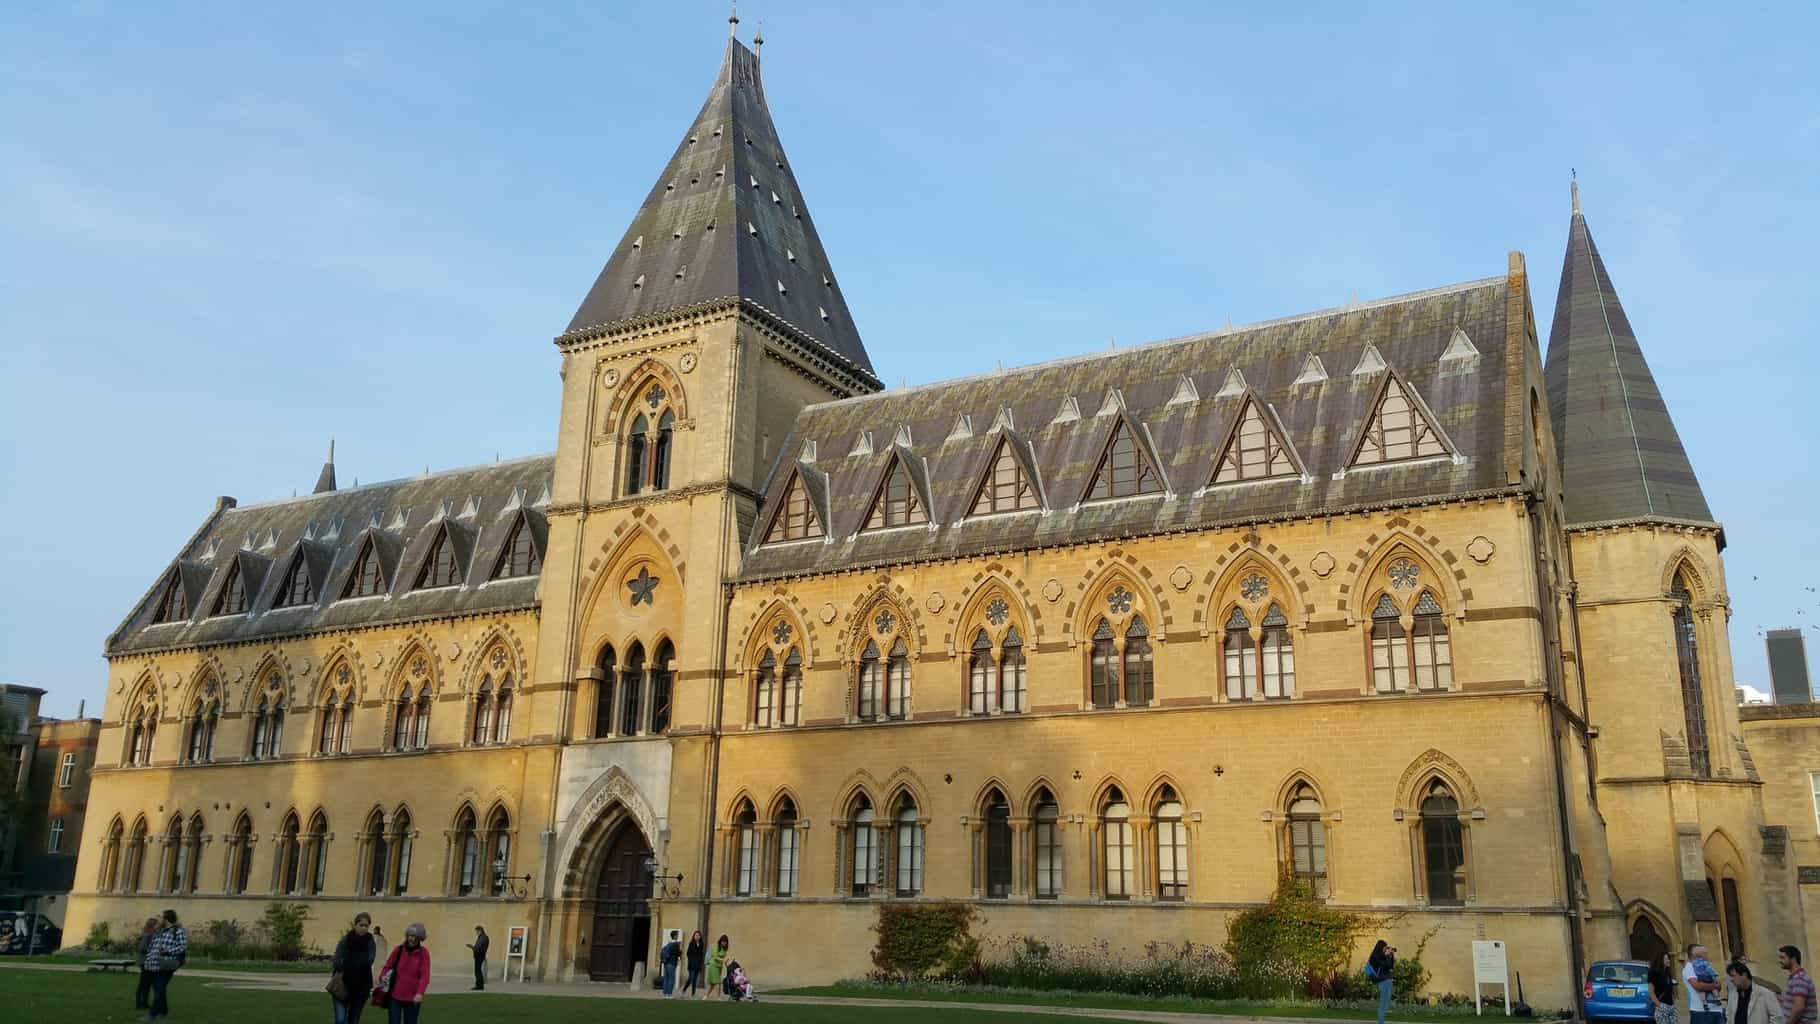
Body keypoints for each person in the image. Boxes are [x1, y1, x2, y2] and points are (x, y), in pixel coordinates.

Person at [378, 923, 432, 1024]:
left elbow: (425, 976)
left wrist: (420, 993)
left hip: (413, 998)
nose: (412, 939)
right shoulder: (398, 950)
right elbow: (387, 966)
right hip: (395, 996)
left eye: (416, 937)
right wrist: (383, 976)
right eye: (410, 936)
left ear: (420, 938)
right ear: (407, 935)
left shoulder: (424, 953)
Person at [330, 912, 378, 1024]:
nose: (363, 928)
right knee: (340, 1019)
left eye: (366, 926)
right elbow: (337, 961)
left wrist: (348, 961)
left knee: (354, 1019)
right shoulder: (345, 940)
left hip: (361, 986)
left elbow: (369, 961)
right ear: (355, 925)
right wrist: (353, 963)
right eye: (361, 925)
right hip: (342, 984)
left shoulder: (370, 942)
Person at [144, 908, 188, 1022]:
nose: (160, 920)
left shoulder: (178, 931)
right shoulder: (161, 931)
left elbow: (183, 947)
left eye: (162, 918)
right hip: (156, 963)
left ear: (166, 919)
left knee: (159, 987)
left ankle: (152, 1014)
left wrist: (169, 951)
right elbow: (153, 946)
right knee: (158, 988)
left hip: (169, 963)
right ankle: (163, 1011)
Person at [1686, 944, 1726, 1024]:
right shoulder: (1689, 967)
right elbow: (1697, 986)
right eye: (1702, 952)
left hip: (1716, 1010)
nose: (1705, 954)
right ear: (1694, 954)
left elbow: (1719, 985)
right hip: (1701, 1012)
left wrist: (1715, 985)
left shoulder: (1707, 965)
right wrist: (1714, 986)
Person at [1781, 947, 1815, 1024]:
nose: (1780, 961)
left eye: (1783, 958)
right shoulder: (1795, 977)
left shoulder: (1799, 978)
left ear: (1793, 959)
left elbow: (1798, 1007)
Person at [133, 917, 161, 1013]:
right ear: (152, 925)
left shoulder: (153, 934)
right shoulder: (147, 935)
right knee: (143, 983)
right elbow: (142, 948)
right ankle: (139, 1003)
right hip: (145, 962)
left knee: (147, 984)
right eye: (157, 924)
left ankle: (144, 1002)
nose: (158, 926)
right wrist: (152, 952)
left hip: (149, 962)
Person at [1367, 940, 1397, 1024]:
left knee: (1386, 1003)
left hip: (1388, 980)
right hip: (1382, 981)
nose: (1385, 949)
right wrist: (1386, 956)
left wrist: (1391, 956)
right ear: (1380, 947)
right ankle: (1381, 1022)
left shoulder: (1383, 955)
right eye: (1384, 947)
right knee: (1383, 1003)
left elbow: (1390, 966)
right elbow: (1384, 965)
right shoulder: (1375, 956)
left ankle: (1381, 1020)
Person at [1647, 949, 1679, 1024]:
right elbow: (1651, 992)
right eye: (1666, 959)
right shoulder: (1653, 973)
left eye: (1669, 958)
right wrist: (1659, 1005)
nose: (1669, 960)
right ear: (1660, 960)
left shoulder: (1667, 973)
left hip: (1671, 1006)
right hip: (1662, 1006)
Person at [705, 934, 729, 1000]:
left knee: (713, 984)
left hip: (719, 967)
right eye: (723, 941)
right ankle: (718, 997)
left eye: (725, 942)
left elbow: (724, 960)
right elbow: (715, 957)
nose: (724, 943)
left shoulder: (724, 949)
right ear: (720, 941)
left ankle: (705, 996)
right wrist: (723, 960)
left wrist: (727, 964)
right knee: (718, 982)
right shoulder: (716, 946)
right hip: (713, 965)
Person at [683, 931, 706, 998]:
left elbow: (701, 954)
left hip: (698, 965)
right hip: (691, 964)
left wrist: (701, 962)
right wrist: (692, 960)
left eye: (698, 935)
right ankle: (684, 989)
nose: (697, 937)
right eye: (696, 935)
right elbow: (688, 953)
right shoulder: (691, 944)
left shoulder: (701, 944)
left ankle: (693, 993)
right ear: (694, 936)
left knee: (695, 980)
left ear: (700, 937)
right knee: (691, 978)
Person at [466, 926, 489, 991]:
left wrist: (471, 947)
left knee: (478, 971)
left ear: (480, 931)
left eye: (477, 931)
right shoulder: (483, 937)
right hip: (480, 956)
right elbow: (478, 947)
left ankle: (479, 986)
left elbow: (478, 948)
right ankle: (480, 985)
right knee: (478, 971)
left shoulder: (483, 938)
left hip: (479, 956)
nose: (476, 933)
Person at [659, 932, 681, 998]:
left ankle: (665, 994)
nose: (677, 936)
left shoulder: (668, 944)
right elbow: (677, 954)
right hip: (671, 963)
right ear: (674, 936)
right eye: (677, 935)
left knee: (666, 978)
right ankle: (669, 994)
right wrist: (680, 951)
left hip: (666, 963)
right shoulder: (676, 944)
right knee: (671, 979)